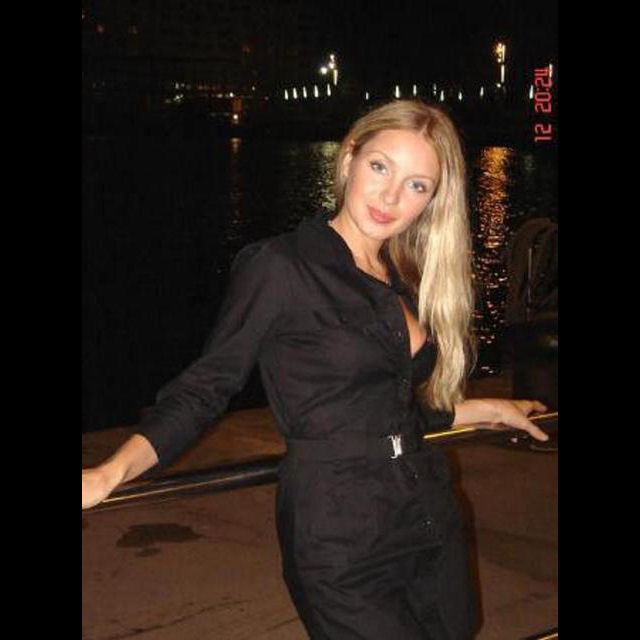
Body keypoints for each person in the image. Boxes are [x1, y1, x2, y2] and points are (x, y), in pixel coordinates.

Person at [82, 100, 548, 639]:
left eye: (417, 185)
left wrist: (483, 408)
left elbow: (385, 409)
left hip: (427, 516)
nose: (391, 197)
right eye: (380, 167)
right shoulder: (281, 268)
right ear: (349, 159)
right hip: (340, 537)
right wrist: (109, 473)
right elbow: (205, 389)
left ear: (433, 199)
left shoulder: (402, 274)